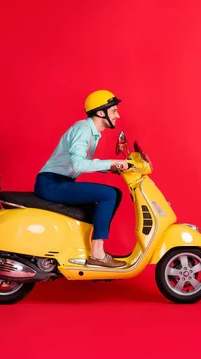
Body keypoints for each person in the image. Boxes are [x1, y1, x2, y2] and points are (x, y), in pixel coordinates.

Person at [34, 90, 130, 268]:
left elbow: (80, 163)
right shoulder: (82, 130)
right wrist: (111, 162)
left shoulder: (90, 131)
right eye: (114, 110)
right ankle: (97, 253)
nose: (118, 115)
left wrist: (112, 167)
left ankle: (89, 249)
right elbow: (78, 165)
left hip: (61, 182)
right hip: (51, 183)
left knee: (114, 193)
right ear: (101, 112)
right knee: (108, 194)